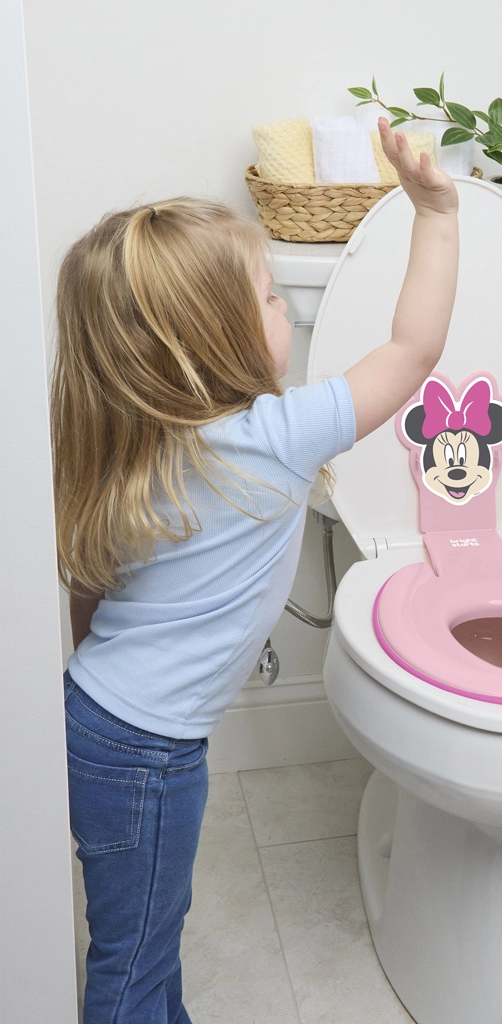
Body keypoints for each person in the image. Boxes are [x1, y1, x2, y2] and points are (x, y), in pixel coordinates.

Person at [51, 118, 458, 1023]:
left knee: (145, 934)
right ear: (216, 337)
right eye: (272, 298)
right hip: (149, 753)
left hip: (99, 721)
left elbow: (88, 594)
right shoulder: (274, 436)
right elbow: (414, 351)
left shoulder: (131, 447)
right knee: (132, 957)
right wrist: (435, 213)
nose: (286, 314)